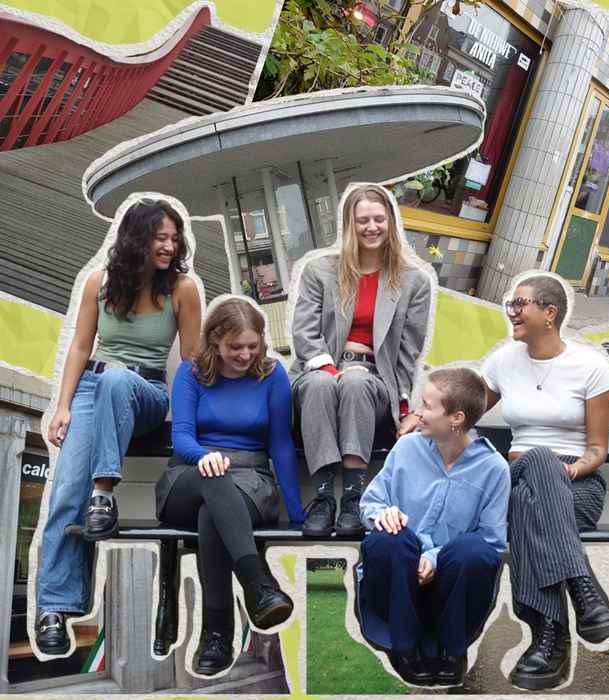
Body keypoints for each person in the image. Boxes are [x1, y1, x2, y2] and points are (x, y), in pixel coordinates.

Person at [36, 198, 202, 656]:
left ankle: (104, 491)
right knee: (66, 491)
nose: (169, 246)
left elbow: (189, 365)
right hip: (94, 388)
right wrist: (63, 406)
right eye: (160, 237)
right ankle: (55, 605)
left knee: (116, 379)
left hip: (145, 393)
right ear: (135, 239)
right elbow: (80, 348)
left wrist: (192, 425)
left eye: (174, 238)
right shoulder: (99, 283)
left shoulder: (183, 289)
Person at [481, 273, 609, 691]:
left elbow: (597, 449)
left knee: (529, 496)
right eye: (510, 304)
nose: (512, 312)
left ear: (549, 312)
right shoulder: (502, 360)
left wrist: (569, 470)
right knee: (531, 469)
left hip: (575, 485)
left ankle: (549, 638)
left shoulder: (591, 366)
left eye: (519, 303)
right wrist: (421, 414)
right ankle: (584, 591)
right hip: (518, 474)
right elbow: (465, 408)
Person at [155, 297, 305, 676]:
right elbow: (183, 435)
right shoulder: (192, 374)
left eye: (252, 346)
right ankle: (257, 584)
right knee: (212, 482)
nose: (244, 354)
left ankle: (217, 633)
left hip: (250, 482)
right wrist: (203, 456)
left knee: (214, 514)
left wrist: (297, 513)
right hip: (188, 476)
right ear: (215, 341)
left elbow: (281, 446)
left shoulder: (272, 376)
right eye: (235, 347)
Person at [290, 183, 434, 538]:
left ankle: (354, 497)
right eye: (362, 221)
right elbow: (304, 334)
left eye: (379, 219)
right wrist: (331, 368)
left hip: (375, 378)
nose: (371, 227)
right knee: (324, 383)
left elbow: (407, 354)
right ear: (348, 226)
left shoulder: (414, 281)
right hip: (319, 369)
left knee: (356, 382)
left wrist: (403, 404)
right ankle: (323, 498)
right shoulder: (320, 271)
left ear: (391, 223)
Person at [357, 368, 509, 687]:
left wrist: (435, 558)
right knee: (389, 539)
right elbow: (369, 504)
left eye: (427, 406)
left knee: (474, 550)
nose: (418, 413)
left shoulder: (494, 469)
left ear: (456, 418)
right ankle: (405, 647)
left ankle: (453, 651)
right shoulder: (406, 449)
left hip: (453, 589)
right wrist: (383, 515)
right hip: (397, 582)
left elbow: (493, 543)